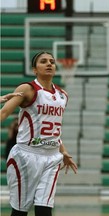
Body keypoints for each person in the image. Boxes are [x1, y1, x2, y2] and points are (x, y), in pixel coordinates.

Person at [0, 51, 78, 216]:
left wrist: (63, 151)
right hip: (26, 156)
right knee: (20, 212)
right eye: (43, 61)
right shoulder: (27, 89)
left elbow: (54, 128)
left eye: (52, 61)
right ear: (35, 69)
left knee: (44, 210)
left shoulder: (63, 95)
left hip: (51, 158)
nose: (49, 64)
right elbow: (3, 113)